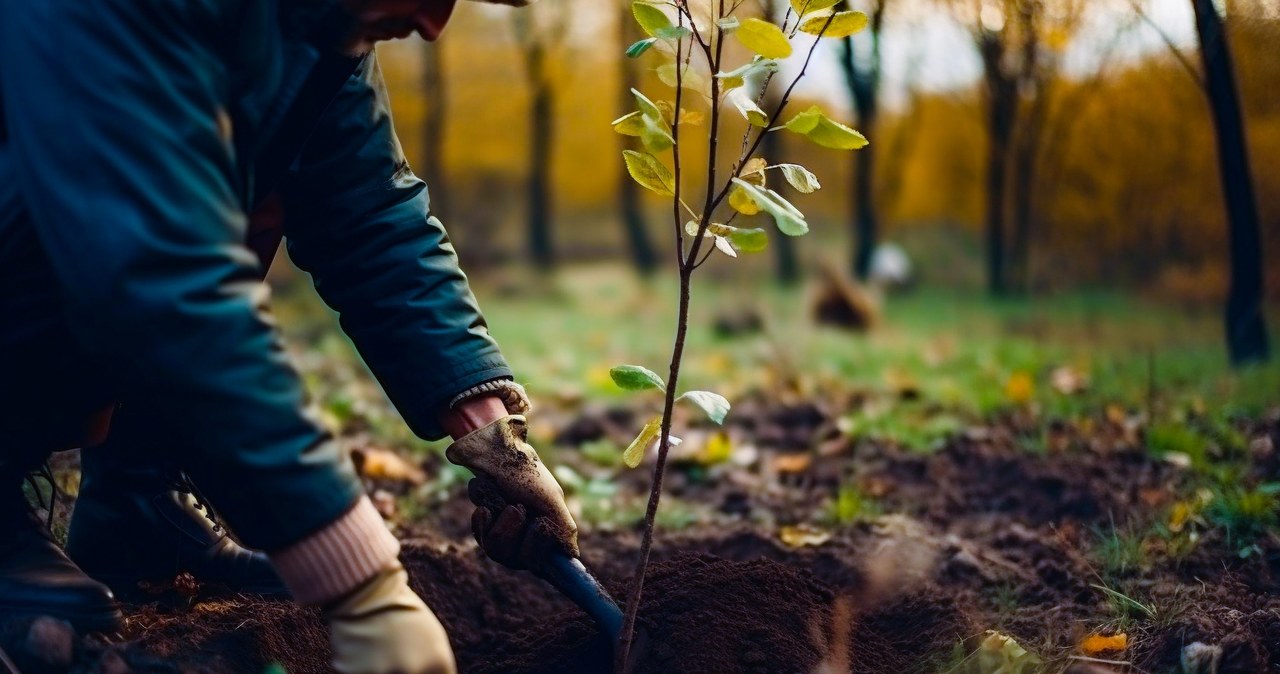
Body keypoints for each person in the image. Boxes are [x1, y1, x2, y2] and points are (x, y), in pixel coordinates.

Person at [0, 1, 576, 672]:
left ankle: (136, 502)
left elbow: (367, 212)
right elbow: (158, 267)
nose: (433, 24)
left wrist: (487, 430)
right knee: (140, 218)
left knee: (248, 196)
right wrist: (365, 586)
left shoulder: (318, 29)